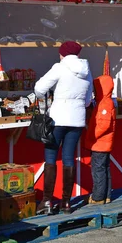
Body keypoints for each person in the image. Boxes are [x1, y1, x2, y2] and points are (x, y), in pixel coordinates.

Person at [34, 41, 93, 215]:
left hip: (58, 118)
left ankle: (47, 201)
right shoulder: (86, 70)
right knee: (69, 158)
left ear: (64, 54)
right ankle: (66, 203)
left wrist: (52, 94)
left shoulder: (59, 67)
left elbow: (39, 88)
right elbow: (89, 99)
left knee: (51, 157)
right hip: (77, 119)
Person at [84, 75, 116, 205]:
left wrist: (91, 135)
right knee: (105, 169)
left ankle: (98, 197)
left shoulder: (104, 103)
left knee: (98, 170)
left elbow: (103, 125)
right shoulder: (105, 102)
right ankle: (106, 195)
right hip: (104, 143)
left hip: (100, 143)